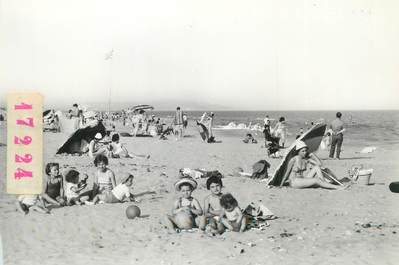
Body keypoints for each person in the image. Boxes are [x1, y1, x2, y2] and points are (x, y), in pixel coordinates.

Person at [280, 141, 346, 189]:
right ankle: (337, 187)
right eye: (302, 151)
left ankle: (324, 183)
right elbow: (287, 173)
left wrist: (313, 155)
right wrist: (281, 185)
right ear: (298, 151)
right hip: (294, 181)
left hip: (302, 179)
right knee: (316, 180)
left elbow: (320, 165)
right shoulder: (293, 159)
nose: (305, 152)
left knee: (316, 167)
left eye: (305, 151)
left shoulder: (306, 159)